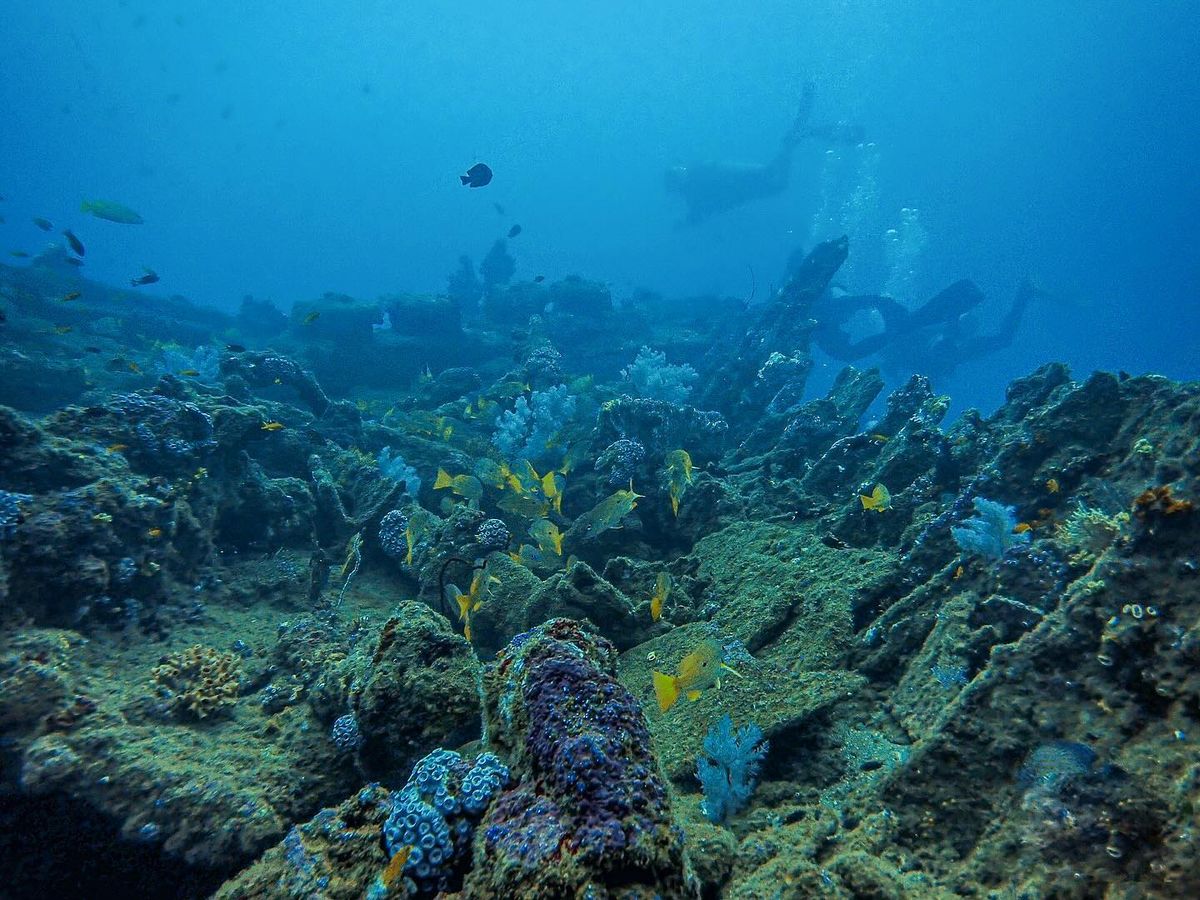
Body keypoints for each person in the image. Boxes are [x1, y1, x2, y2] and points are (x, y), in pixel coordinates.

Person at [665, 83, 861, 226]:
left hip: (742, 184)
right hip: (743, 189)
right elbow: (701, 210)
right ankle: (798, 134)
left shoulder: (699, 174)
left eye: (677, 172)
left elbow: (720, 173)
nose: (680, 174)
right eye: (677, 175)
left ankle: (797, 134)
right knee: (777, 183)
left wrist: (688, 222)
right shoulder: (693, 188)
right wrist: (687, 222)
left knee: (773, 176)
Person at [810, 278, 1036, 378]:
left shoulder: (916, 344)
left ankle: (1025, 291)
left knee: (907, 331)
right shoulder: (921, 341)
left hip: (916, 339)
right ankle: (834, 299)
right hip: (916, 337)